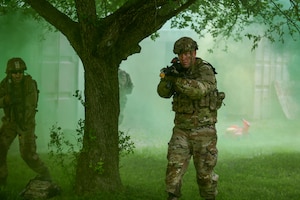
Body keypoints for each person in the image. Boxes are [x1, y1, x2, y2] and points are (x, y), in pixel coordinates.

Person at [157, 37, 225, 200]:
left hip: (204, 131)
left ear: (194, 53)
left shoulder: (205, 70)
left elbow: (198, 90)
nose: (183, 58)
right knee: (174, 168)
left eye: (187, 54)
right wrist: (167, 78)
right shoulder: (177, 70)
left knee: (204, 175)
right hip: (181, 130)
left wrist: (176, 80)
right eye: (180, 54)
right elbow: (162, 93)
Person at [0, 57, 51, 189]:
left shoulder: (30, 84)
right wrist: (5, 101)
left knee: (27, 154)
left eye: (20, 72)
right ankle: (1, 179)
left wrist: (24, 127)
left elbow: (31, 105)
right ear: (9, 73)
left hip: (25, 124)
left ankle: (45, 174)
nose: (18, 75)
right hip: (10, 122)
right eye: (15, 72)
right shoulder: (5, 84)